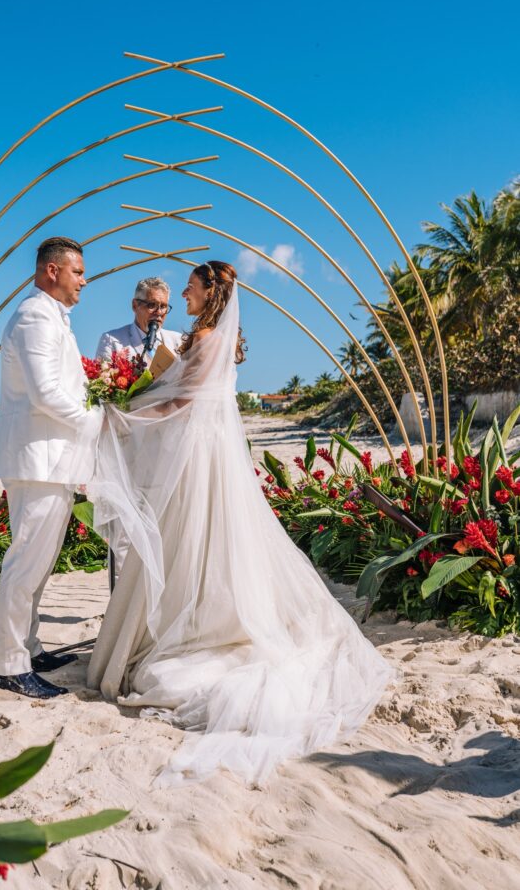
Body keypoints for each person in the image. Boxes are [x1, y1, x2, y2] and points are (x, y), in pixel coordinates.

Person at [87, 260, 394, 784]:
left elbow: (186, 401)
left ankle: (196, 626)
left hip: (198, 457)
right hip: (197, 451)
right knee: (189, 542)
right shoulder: (204, 335)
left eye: (189, 286)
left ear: (210, 293)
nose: (182, 292)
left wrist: (126, 412)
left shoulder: (205, 338)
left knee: (191, 536)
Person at [0, 236, 102, 699]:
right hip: (37, 459)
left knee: (39, 563)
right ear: (52, 271)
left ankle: (29, 647)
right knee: (25, 563)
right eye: (77, 272)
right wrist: (99, 422)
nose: (84, 280)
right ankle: (9, 665)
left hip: (53, 459)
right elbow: (45, 393)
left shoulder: (56, 317)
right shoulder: (35, 315)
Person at [95, 277, 182, 364]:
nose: (158, 312)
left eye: (163, 306)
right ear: (135, 305)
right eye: (152, 305)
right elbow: (102, 376)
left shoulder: (179, 341)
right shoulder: (111, 340)